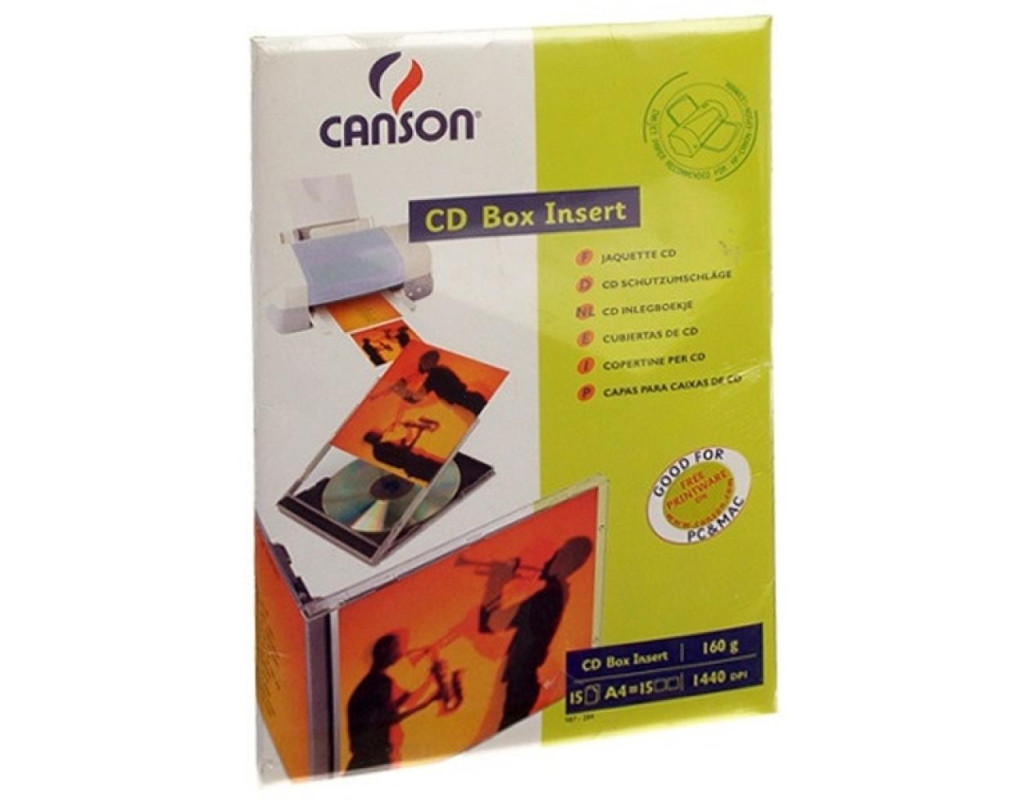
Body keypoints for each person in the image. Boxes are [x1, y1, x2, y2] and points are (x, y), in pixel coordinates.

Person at [478, 537, 594, 730]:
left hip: (523, 680)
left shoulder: (550, 594)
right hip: (520, 679)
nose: (552, 557)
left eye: (560, 554)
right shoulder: (549, 593)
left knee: (508, 735)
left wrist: (500, 580)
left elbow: (499, 624)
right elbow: (494, 627)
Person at [346, 633, 439, 771]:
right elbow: (392, 717)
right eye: (398, 648)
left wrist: (429, 679)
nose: (403, 653)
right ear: (388, 653)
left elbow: (395, 707)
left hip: (368, 761)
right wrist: (429, 701)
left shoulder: (373, 682)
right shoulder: (380, 683)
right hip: (373, 762)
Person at [376, 350, 488, 416]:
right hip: (474, 399)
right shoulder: (443, 369)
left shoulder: (433, 377)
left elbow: (415, 398)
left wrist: (399, 390)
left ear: (425, 363)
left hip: (468, 406)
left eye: (421, 362)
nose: (419, 365)